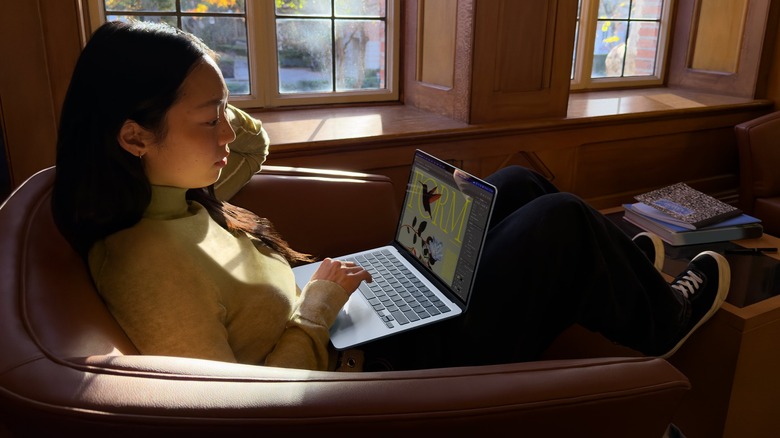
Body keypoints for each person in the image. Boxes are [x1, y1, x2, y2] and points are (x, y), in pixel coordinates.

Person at [52, 20, 731, 372]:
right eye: (209, 120)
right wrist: (317, 310)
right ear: (133, 136)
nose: (229, 132)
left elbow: (251, 146)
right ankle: (656, 322)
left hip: (353, 310)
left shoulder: (178, 189)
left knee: (518, 183)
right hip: (375, 364)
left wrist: (208, 96)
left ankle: (625, 277)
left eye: (226, 110)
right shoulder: (144, 260)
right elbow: (231, 403)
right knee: (563, 221)